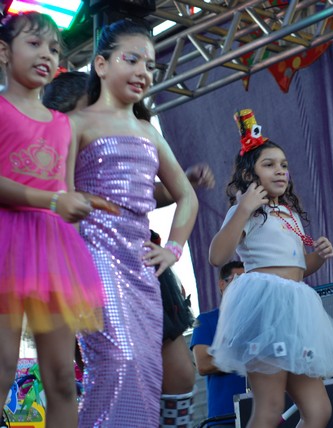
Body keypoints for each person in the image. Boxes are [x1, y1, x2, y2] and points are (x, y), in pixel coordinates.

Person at [42, 70, 214, 427]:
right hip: (93, 269)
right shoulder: (59, 154)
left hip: (143, 262)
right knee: (120, 373)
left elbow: (143, 196)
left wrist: (182, 182)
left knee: (180, 374)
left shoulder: (130, 137)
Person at [71, 19, 198, 427]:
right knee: (118, 361)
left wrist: (173, 249)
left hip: (142, 268)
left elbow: (187, 196)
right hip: (93, 259)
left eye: (150, 65)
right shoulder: (75, 124)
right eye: (132, 59)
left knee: (146, 367)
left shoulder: (149, 132)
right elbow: (55, 197)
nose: (143, 71)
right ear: (101, 65)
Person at [209, 109, 333, 428]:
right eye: (269, 164)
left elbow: (297, 268)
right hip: (265, 310)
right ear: (249, 174)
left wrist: (318, 257)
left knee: (318, 410)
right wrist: (244, 208)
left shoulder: (289, 214)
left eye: (284, 165)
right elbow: (217, 255)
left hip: (296, 311)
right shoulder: (246, 210)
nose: (280, 171)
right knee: (270, 407)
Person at [0, 11, 106, 427]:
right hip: (5, 245)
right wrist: (52, 200)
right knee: (3, 364)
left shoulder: (63, 125)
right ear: (4, 52)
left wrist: (77, 208)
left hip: (53, 252)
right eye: (34, 44)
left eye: (54, 48)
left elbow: (65, 189)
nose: (46, 54)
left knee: (63, 377)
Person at [190, 261, 246, 428]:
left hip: (263, 412)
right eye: (237, 280)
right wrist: (248, 353)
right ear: (222, 284)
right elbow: (203, 364)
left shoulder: (261, 318)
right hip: (224, 418)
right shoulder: (205, 321)